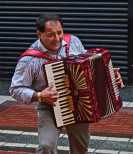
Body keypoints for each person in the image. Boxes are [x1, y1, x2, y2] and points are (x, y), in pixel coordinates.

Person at [9, 14, 125, 154]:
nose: (57, 39)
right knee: (46, 145)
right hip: (49, 105)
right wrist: (39, 95)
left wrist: (109, 74)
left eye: (60, 32)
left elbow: (88, 66)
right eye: (51, 35)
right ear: (39, 34)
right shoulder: (29, 60)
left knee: (80, 148)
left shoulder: (74, 42)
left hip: (80, 104)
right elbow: (15, 89)